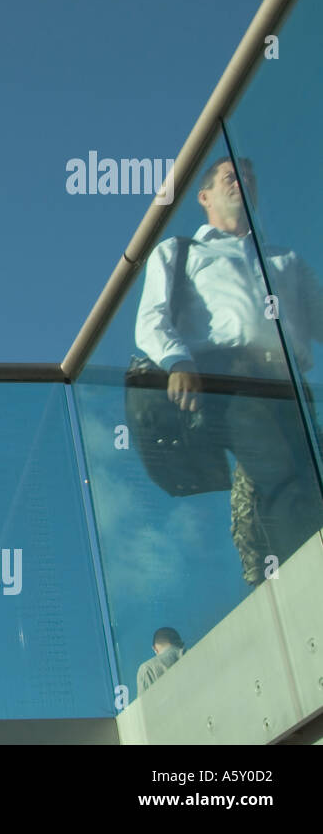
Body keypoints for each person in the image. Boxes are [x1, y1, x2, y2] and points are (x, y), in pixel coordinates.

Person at [135, 157, 323, 583]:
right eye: (230, 176)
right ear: (204, 197)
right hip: (227, 382)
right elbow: (151, 319)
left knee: (310, 479)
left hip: (290, 386)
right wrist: (177, 361)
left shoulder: (284, 260)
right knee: (279, 474)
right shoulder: (182, 251)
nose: (244, 181)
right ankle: (307, 584)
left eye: (250, 176)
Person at [137, 627, 185, 696]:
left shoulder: (147, 669)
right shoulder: (195, 654)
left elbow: (145, 705)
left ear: (155, 649)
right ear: (181, 643)